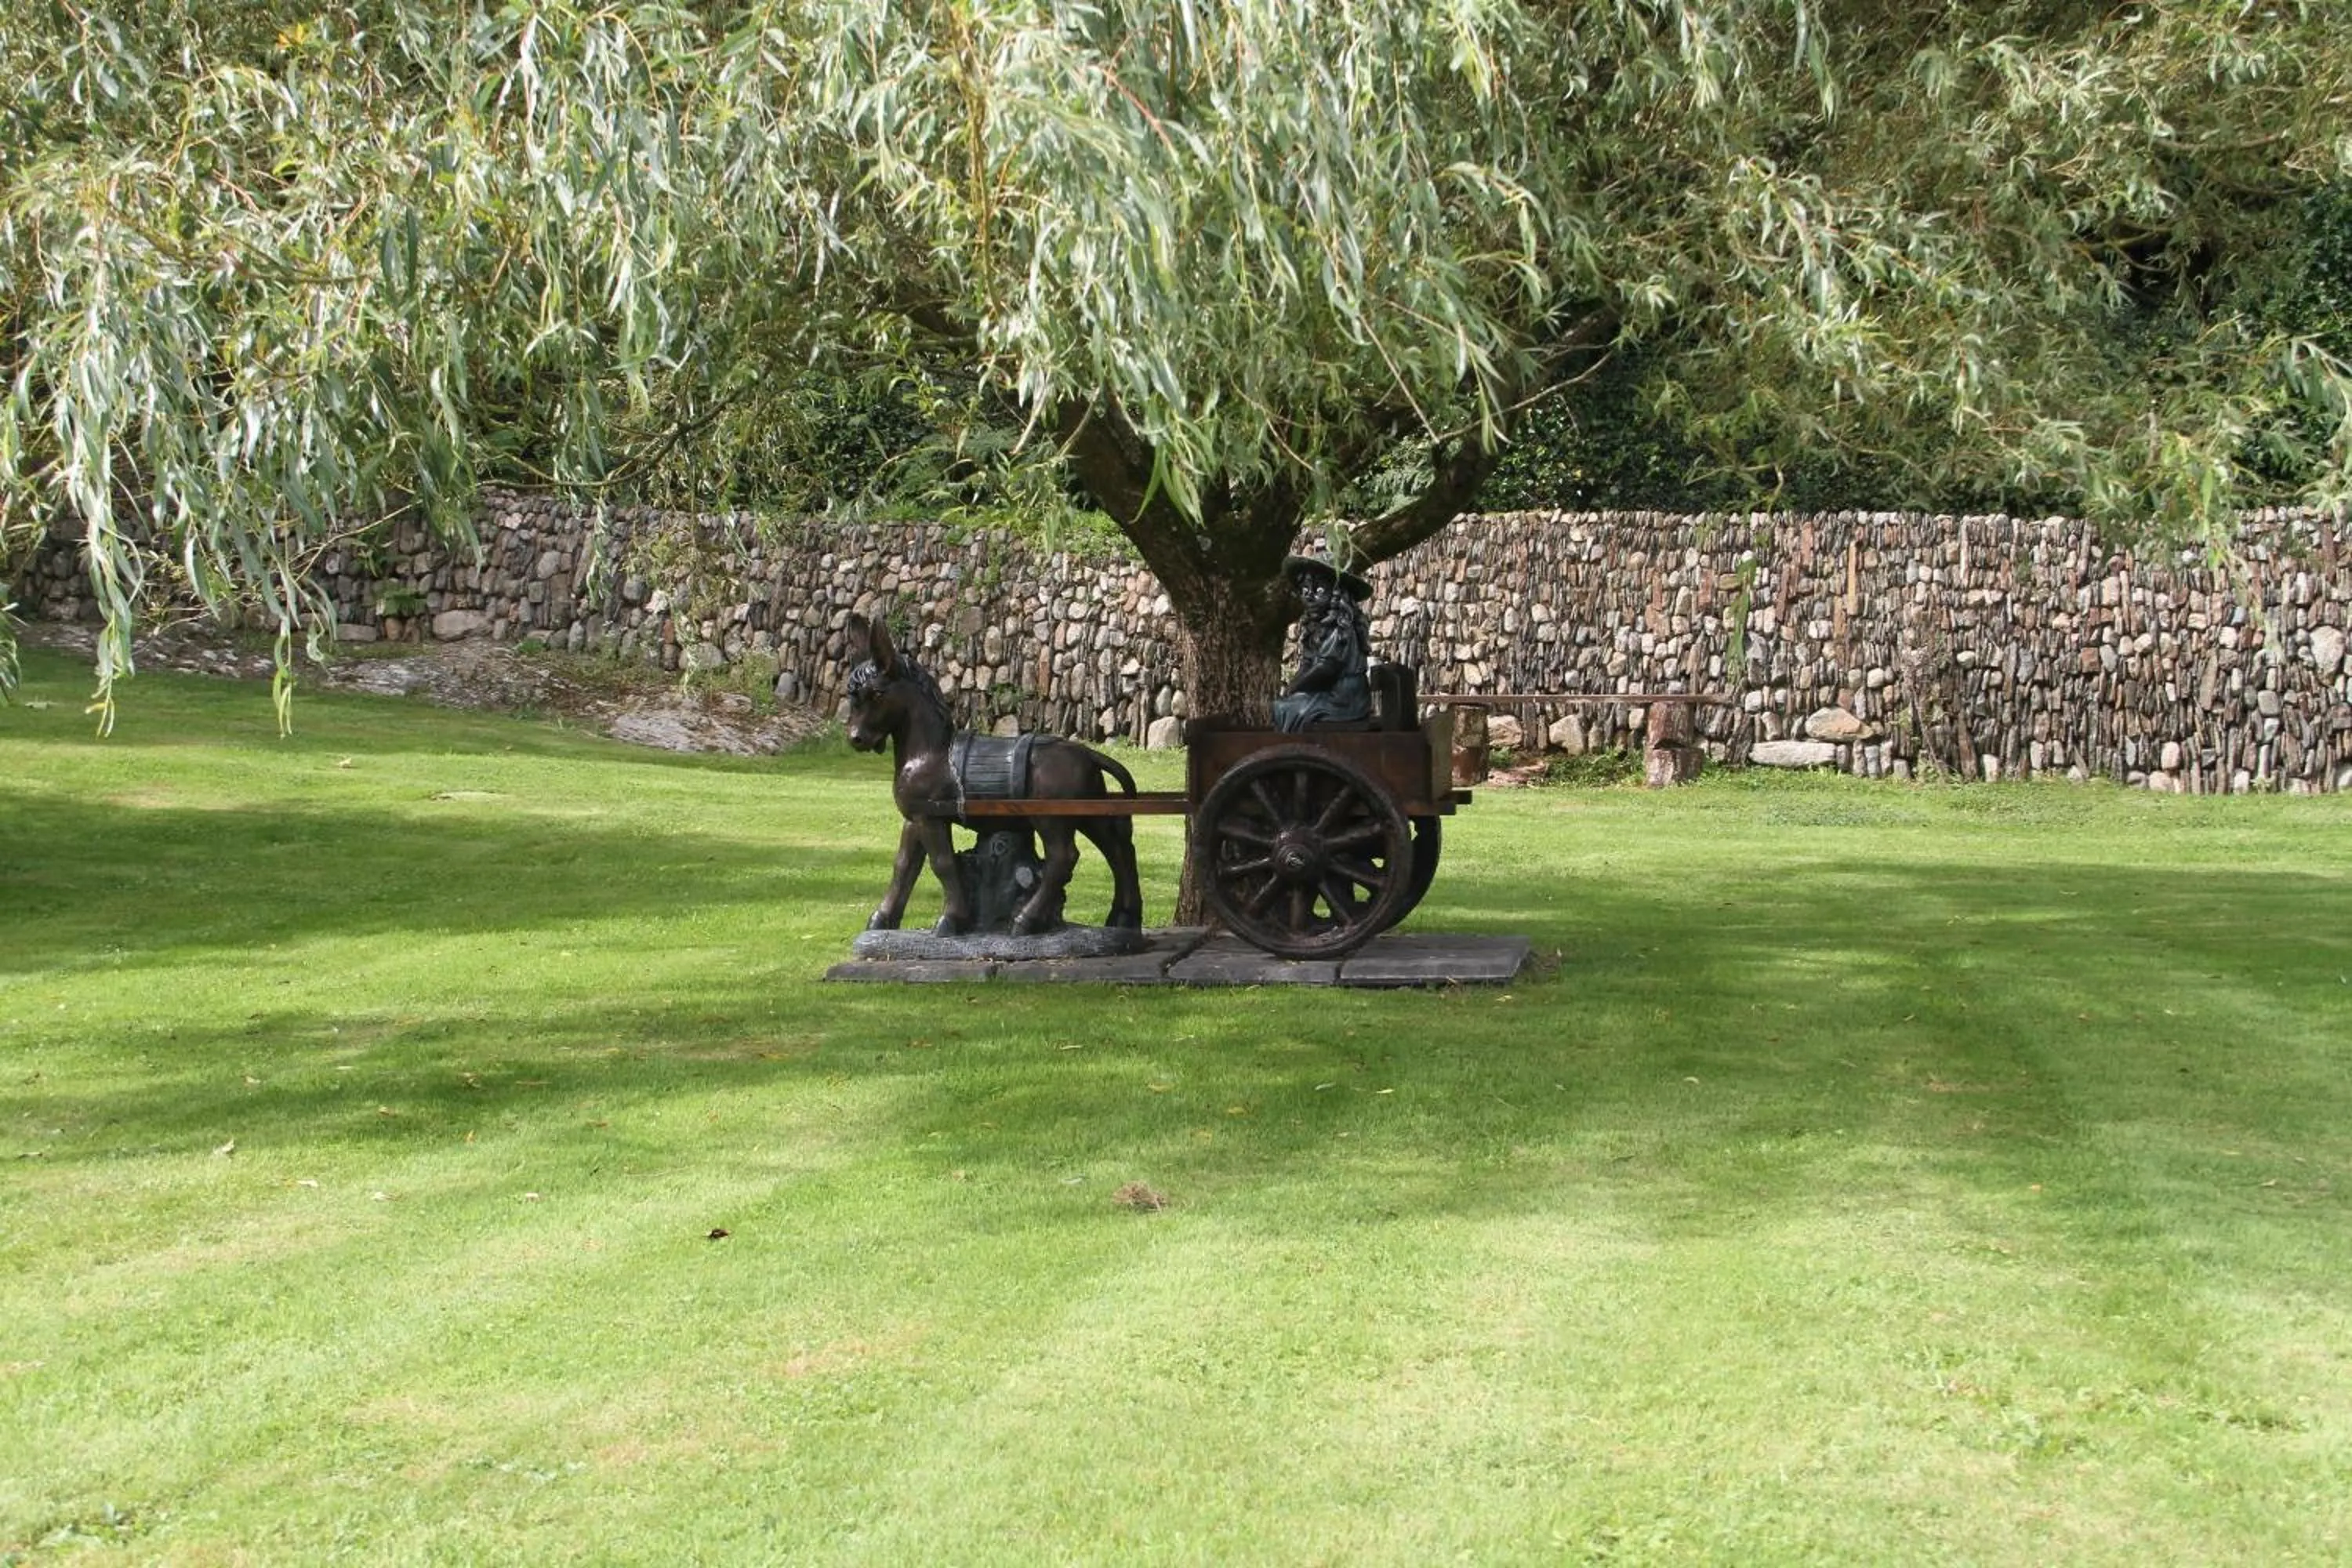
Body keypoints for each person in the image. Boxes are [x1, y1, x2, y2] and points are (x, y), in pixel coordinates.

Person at [1272, 555, 1374, 731]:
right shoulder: (1318, 628)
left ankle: (1293, 749)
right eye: (1305, 590)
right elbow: (1307, 664)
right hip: (1328, 693)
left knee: (1287, 708)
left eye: (1319, 591)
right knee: (1285, 704)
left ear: (1337, 594)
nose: (1309, 597)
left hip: (1344, 699)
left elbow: (1325, 668)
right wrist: (1294, 686)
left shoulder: (1341, 629)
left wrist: (1295, 686)